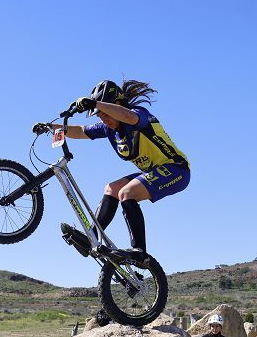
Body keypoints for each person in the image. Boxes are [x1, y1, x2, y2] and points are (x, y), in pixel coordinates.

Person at [33, 79, 190, 264]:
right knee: (112, 189)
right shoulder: (109, 129)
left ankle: (140, 251)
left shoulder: (139, 115)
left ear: (117, 104)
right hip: (153, 171)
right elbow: (81, 131)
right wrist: (51, 127)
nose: (103, 119)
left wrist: (96, 104)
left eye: (105, 113)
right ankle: (90, 238)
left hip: (176, 169)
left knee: (127, 193)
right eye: (99, 115)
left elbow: (129, 117)